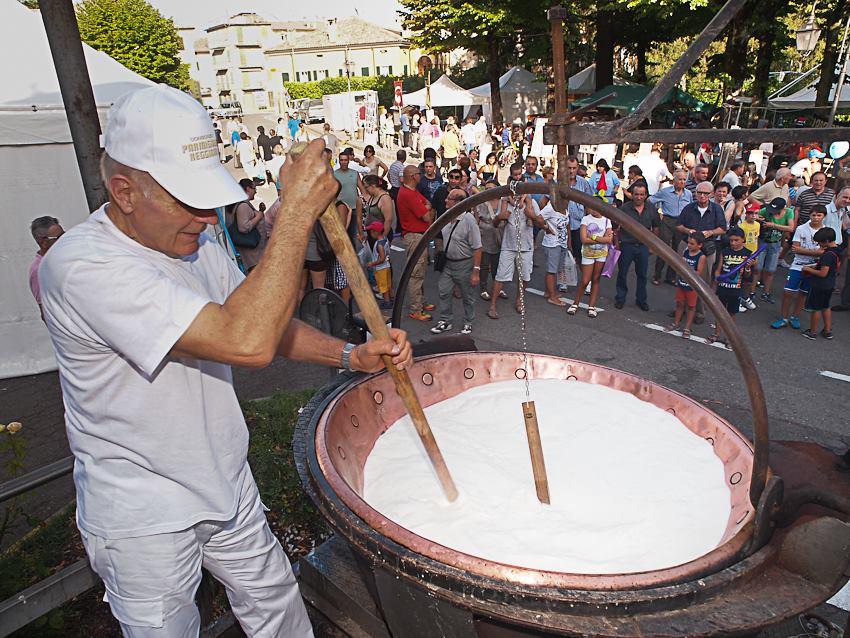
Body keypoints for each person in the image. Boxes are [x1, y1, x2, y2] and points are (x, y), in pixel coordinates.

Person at [38, 85, 412, 638]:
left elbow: (265, 320)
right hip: (145, 512)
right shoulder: (82, 268)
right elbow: (246, 341)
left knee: (279, 609)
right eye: (188, 201)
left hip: (225, 481)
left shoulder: (196, 242)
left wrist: (350, 353)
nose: (208, 219)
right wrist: (295, 217)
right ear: (123, 191)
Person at [488, 164, 550, 319]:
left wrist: (532, 216)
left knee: (524, 277)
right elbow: (495, 224)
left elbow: (542, 224)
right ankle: (493, 305)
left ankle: (519, 301)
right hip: (508, 245)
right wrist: (499, 218)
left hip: (526, 246)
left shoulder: (531, 203)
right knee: (500, 275)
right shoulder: (505, 201)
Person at [431, 189, 482, 335]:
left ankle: (468, 322)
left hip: (464, 264)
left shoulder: (469, 220)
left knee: (467, 295)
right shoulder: (447, 216)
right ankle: (445, 320)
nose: (445, 200)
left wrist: (475, 271)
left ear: (459, 202)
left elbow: (478, 247)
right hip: (448, 264)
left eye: (449, 198)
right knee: (444, 291)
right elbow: (440, 236)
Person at [676, 181, 728, 322]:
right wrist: (688, 230)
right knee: (683, 277)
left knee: (702, 281)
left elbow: (723, 229)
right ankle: (681, 308)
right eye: (699, 193)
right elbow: (678, 225)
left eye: (705, 193)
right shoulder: (689, 208)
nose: (702, 196)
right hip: (688, 245)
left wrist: (710, 232)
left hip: (707, 248)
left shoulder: (717, 209)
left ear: (711, 194)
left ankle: (699, 312)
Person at [771, 205, 826, 330]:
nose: (816, 218)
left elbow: (825, 251)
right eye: (813, 215)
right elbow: (796, 249)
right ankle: (783, 317)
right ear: (809, 215)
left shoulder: (825, 230)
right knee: (788, 292)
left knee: (803, 293)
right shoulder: (801, 228)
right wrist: (815, 252)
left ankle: (795, 317)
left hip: (814, 267)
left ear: (824, 216)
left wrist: (805, 250)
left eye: (819, 215)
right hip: (797, 265)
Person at [398, 164, 435, 321]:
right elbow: (427, 215)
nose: (421, 175)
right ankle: (416, 309)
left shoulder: (411, 192)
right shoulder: (408, 194)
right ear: (413, 176)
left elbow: (428, 205)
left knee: (420, 271)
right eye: (419, 173)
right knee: (416, 273)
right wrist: (426, 209)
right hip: (414, 236)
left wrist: (426, 208)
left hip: (419, 235)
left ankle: (420, 302)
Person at [614, 182, 659, 311]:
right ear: (632, 195)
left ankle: (641, 300)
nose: (638, 197)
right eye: (636, 194)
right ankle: (620, 298)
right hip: (627, 245)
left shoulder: (652, 209)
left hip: (643, 246)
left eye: (641, 195)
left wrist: (652, 246)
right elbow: (616, 228)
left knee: (642, 275)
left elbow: (656, 228)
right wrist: (617, 244)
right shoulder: (624, 209)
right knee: (622, 273)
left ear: (646, 195)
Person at [709, 227, 752, 345]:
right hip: (723, 287)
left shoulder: (748, 254)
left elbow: (748, 276)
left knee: (731, 313)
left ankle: (730, 337)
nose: (733, 243)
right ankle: (716, 333)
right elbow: (718, 269)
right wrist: (717, 280)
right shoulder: (725, 251)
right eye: (731, 240)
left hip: (736, 289)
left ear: (743, 239)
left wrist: (748, 268)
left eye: (736, 240)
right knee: (720, 312)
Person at [650, 168, 692, 285]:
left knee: (677, 251)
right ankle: (657, 276)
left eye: (684, 179)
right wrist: (656, 216)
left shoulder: (688, 194)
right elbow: (650, 201)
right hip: (667, 222)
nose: (682, 182)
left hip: (682, 223)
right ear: (674, 180)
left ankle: (671, 277)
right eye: (680, 179)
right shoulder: (665, 192)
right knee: (663, 250)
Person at [569, 205, 613, 318]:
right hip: (587, 254)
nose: (592, 209)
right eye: (590, 207)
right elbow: (583, 239)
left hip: (601, 254)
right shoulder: (586, 219)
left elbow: (609, 239)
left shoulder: (606, 220)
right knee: (585, 280)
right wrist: (601, 239)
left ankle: (591, 306)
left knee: (596, 278)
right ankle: (575, 304)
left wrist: (593, 237)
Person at [801, 227, 841, 339]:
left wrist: (808, 269)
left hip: (820, 285)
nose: (818, 244)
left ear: (827, 241)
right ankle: (827, 330)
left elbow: (823, 273)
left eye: (819, 242)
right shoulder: (837, 250)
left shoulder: (827, 255)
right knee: (826, 306)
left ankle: (812, 331)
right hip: (830, 283)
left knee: (816, 308)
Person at [666, 232, 706, 339]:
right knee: (679, 304)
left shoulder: (701, 257)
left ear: (699, 245)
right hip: (682, 282)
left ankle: (687, 327)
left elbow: (699, 272)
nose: (689, 245)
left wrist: (686, 270)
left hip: (691, 286)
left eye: (692, 244)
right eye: (688, 243)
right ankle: (676, 323)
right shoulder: (686, 252)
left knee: (691, 307)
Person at [756, 197, 795, 305]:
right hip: (762, 241)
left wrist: (773, 225)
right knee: (757, 267)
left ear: (783, 208)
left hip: (775, 243)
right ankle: (751, 293)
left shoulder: (789, 212)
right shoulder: (766, 210)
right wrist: (758, 218)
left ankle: (766, 293)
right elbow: (755, 215)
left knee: (771, 270)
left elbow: (791, 228)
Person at [28, 216, 64, 321]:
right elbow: (45, 312)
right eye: (59, 237)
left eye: (64, 234)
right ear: (43, 242)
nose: (64, 239)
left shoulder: (62, 258)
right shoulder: (38, 271)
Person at [475, 180, 504, 301]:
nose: (488, 191)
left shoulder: (504, 202)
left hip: (499, 236)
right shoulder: (481, 203)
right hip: (485, 236)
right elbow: (477, 220)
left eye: (491, 188)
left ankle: (498, 287)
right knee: (485, 264)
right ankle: (483, 288)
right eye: (486, 189)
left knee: (498, 264)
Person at [565, 156, 595, 267]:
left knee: (580, 255)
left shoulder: (583, 183)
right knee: (562, 254)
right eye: (569, 168)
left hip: (579, 225)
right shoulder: (558, 182)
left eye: (574, 168)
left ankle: (586, 282)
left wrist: (588, 223)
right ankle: (563, 282)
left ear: (577, 167)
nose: (571, 171)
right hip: (562, 226)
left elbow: (589, 204)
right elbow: (545, 201)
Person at [539, 198, 570, 307]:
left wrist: (568, 242)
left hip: (562, 242)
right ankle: (552, 297)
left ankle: (549, 292)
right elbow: (538, 218)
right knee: (551, 270)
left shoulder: (565, 206)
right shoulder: (550, 207)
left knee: (556, 269)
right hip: (552, 243)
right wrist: (546, 228)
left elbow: (566, 225)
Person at [232, 177, 266, 271]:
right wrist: (259, 216)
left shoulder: (245, 204)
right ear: (248, 189)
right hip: (252, 255)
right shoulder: (243, 206)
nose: (256, 191)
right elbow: (243, 227)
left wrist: (260, 212)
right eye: (254, 188)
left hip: (255, 253)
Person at [334, 152, 365, 243]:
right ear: (339, 161)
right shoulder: (334, 174)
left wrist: (365, 201)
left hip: (354, 208)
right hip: (341, 209)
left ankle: (353, 255)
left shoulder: (355, 173)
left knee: (352, 235)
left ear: (349, 161)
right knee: (341, 234)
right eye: (341, 160)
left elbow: (362, 189)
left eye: (345, 160)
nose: (343, 162)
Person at [365, 221, 393, 309]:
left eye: (371, 232)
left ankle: (387, 302)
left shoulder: (379, 245)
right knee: (388, 284)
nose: (370, 234)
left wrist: (372, 263)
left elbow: (382, 258)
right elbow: (387, 253)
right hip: (387, 266)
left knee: (383, 286)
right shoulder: (385, 240)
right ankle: (391, 298)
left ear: (376, 232)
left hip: (381, 268)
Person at [738, 205, 761, 310]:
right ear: (746, 214)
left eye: (755, 213)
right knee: (740, 278)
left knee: (749, 279)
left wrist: (755, 254)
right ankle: (738, 299)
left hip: (753, 255)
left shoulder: (757, 225)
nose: (753, 216)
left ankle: (745, 297)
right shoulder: (742, 226)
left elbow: (755, 240)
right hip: (743, 255)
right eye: (750, 213)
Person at [363, 175, 395, 239]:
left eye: (366, 187)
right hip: (371, 233)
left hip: (380, 234)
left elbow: (388, 220)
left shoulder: (384, 198)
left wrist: (383, 237)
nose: (365, 190)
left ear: (373, 186)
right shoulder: (373, 196)